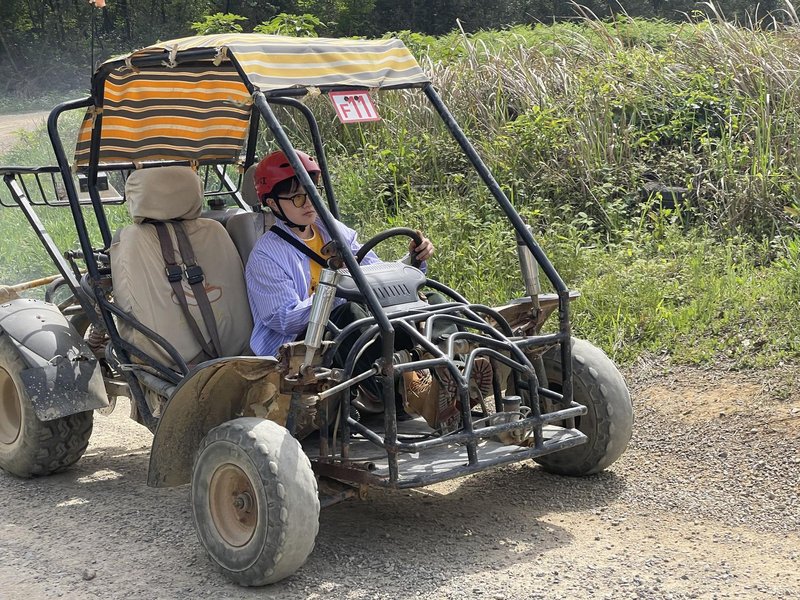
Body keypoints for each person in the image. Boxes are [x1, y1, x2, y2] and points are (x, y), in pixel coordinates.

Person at [245, 149, 455, 426]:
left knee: (433, 302)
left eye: (312, 193)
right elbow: (282, 318)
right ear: (273, 204)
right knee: (350, 313)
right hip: (298, 347)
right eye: (297, 197)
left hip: (351, 328)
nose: (308, 203)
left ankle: (455, 373)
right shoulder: (265, 255)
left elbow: (375, 272)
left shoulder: (330, 229)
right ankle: (406, 392)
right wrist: (335, 293)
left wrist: (413, 261)